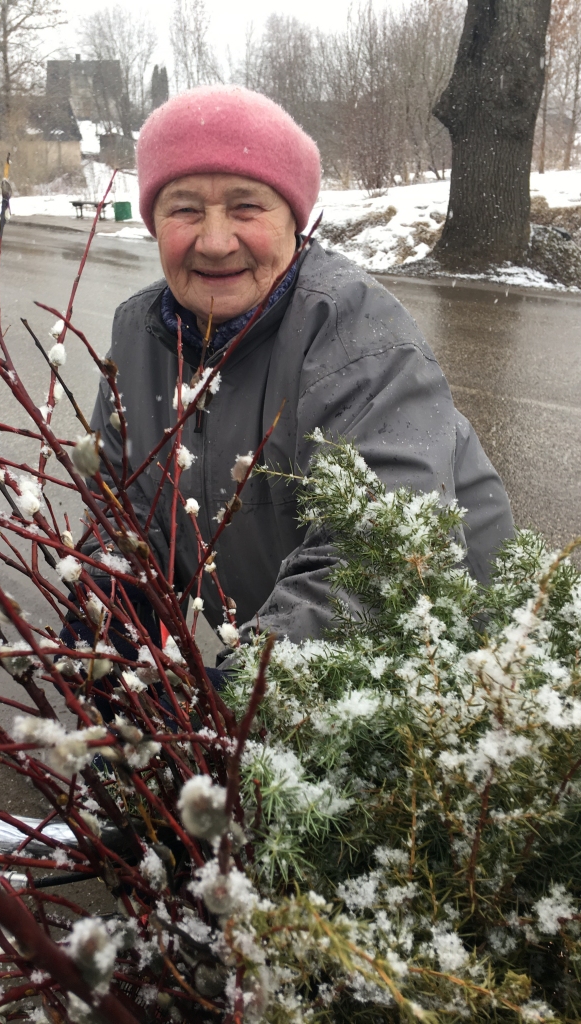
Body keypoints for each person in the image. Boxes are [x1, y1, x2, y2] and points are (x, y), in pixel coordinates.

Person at [88, 85, 514, 657]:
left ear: (294, 219)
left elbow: (381, 559)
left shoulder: (354, 329)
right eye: (185, 209)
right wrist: (111, 607)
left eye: (246, 207)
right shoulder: (138, 334)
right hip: (285, 663)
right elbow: (122, 508)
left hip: (439, 664)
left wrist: (243, 692)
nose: (215, 242)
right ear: (154, 222)